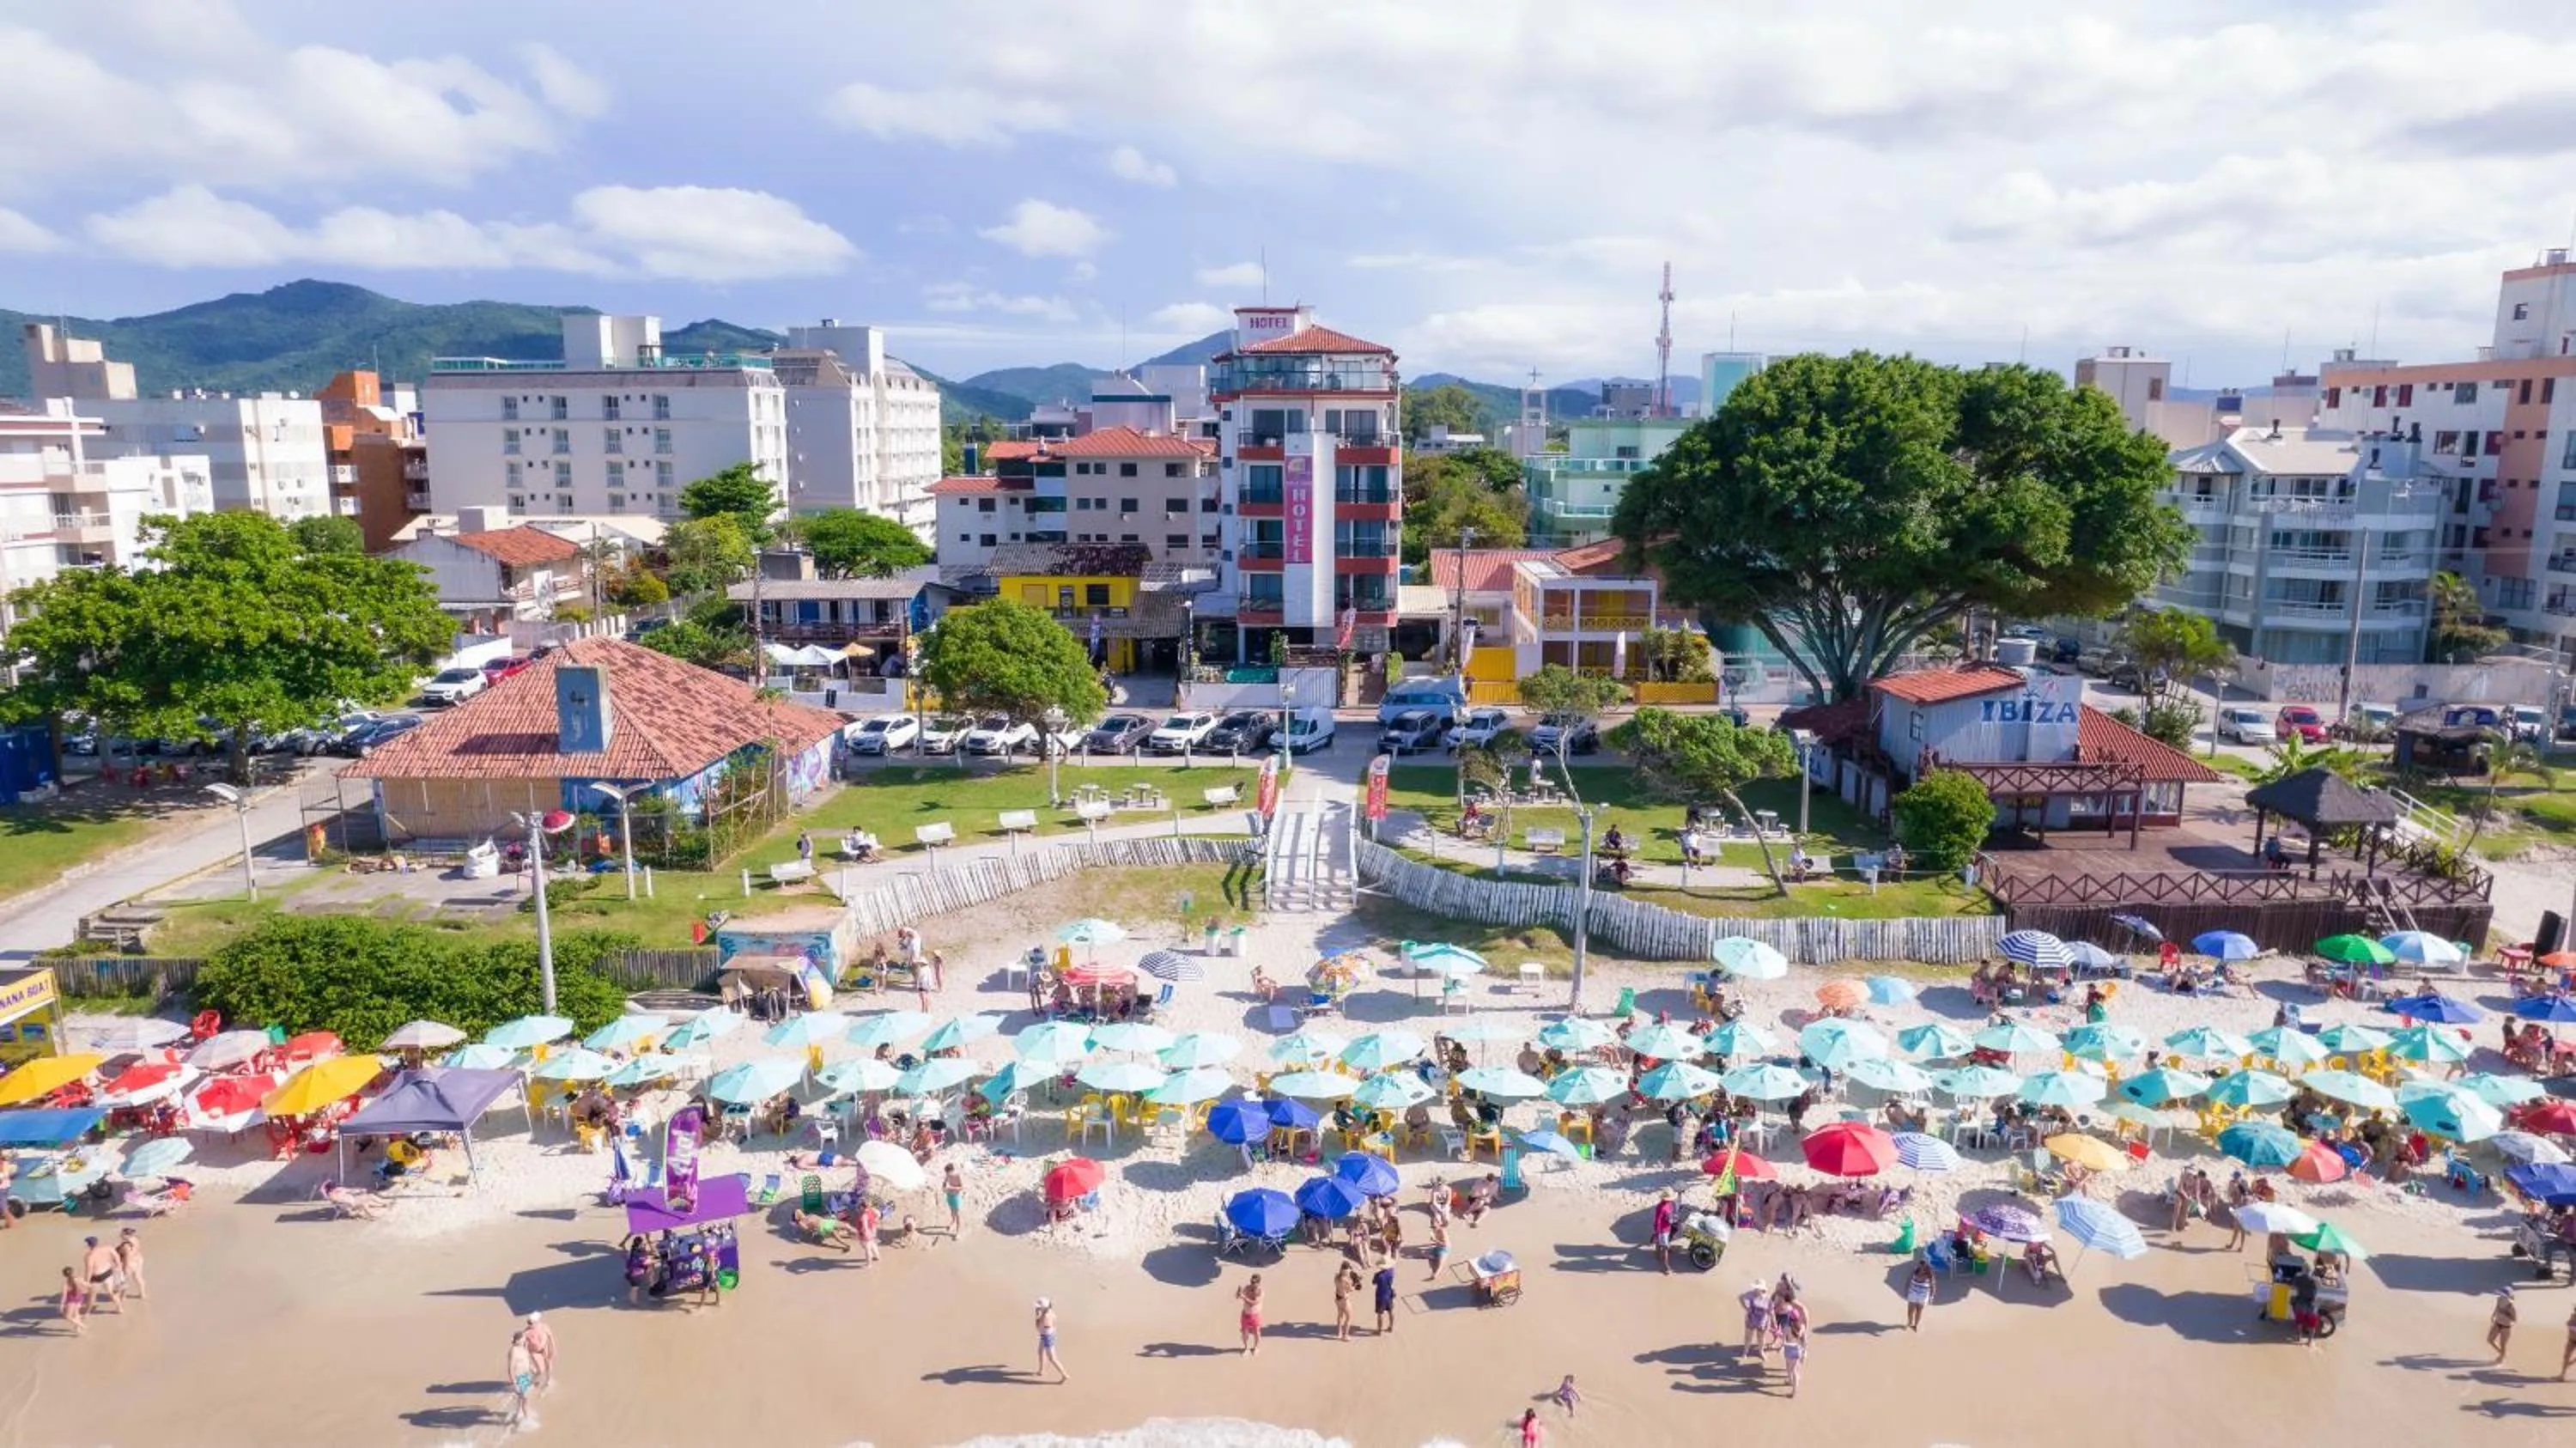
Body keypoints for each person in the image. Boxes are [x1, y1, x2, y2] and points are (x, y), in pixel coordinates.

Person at [505, 1329, 540, 1433]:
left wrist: (532, 1368)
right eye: (523, 1338)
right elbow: (510, 1368)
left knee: (523, 1398)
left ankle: (518, 1413)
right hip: (519, 1378)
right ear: (517, 1341)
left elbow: (527, 1360)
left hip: (526, 1376)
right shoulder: (513, 1351)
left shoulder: (523, 1348)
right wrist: (514, 1383)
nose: (525, 1339)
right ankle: (527, 1419)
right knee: (525, 1398)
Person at [1777, 1294, 1810, 1397]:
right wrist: (1804, 1351)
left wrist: (1780, 1348)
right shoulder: (1803, 1327)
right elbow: (1804, 1341)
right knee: (1795, 1370)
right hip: (1798, 1349)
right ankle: (1793, 1388)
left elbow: (1783, 1341)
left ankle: (1791, 1382)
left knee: (1789, 1367)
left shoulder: (1786, 1328)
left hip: (1789, 1349)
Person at [80, 1237, 122, 1315]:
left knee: (91, 1296)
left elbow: (89, 1270)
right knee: (111, 1292)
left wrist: (86, 1283)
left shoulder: (89, 1256)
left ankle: (87, 1312)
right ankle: (119, 1308)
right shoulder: (108, 1248)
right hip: (108, 1273)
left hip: (97, 1277)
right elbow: (116, 1257)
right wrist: (118, 1267)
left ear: (88, 1245)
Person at [1034, 1297, 1067, 1383]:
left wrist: (1037, 1316)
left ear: (1044, 1307)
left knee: (1052, 1358)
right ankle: (1041, 1370)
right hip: (1049, 1333)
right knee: (1040, 1351)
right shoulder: (1050, 1311)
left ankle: (1064, 1375)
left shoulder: (1045, 1317)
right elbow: (1054, 1321)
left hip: (1047, 1336)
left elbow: (1038, 1327)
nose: (1037, 1308)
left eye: (1039, 1307)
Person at [522, 1311, 556, 1393]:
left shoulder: (544, 1327)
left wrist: (553, 1348)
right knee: (540, 1370)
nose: (529, 1324)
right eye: (528, 1322)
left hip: (545, 1348)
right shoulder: (526, 1332)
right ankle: (530, 1382)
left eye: (530, 1322)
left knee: (549, 1365)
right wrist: (527, 1359)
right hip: (534, 1352)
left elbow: (550, 1337)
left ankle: (547, 1381)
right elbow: (523, 1346)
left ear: (537, 1322)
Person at [1739, 1279, 1773, 1357]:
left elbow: (1771, 1311)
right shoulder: (1750, 1294)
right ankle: (1745, 1351)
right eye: (1755, 1288)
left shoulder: (1768, 1298)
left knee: (1761, 1337)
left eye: (1758, 1288)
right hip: (1750, 1319)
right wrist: (1746, 1308)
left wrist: (1772, 1322)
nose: (1756, 1290)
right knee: (1748, 1337)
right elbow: (1740, 1297)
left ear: (1762, 1289)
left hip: (1762, 1321)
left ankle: (1761, 1352)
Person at [114, 1228, 147, 1303]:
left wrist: (124, 1268)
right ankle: (142, 1294)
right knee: (138, 1277)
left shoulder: (126, 1245)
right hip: (138, 1259)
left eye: (122, 1234)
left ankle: (122, 1297)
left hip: (130, 1263)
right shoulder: (135, 1239)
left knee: (123, 1281)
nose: (120, 1235)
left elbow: (127, 1257)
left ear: (126, 1235)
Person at [1236, 1273, 1266, 1355]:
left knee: (1256, 1332)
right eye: (1251, 1282)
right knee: (1244, 1333)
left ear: (1259, 1283)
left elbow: (1254, 1303)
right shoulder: (1247, 1288)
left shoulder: (1261, 1292)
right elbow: (1237, 1297)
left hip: (1255, 1316)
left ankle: (1256, 1348)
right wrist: (1238, 1293)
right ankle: (1246, 1348)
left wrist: (1243, 1297)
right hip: (1245, 1315)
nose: (1252, 1284)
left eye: (1254, 1282)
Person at [1905, 1252, 1935, 1330]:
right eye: (1920, 1264)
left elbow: (1933, 1286)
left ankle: (1915, 1325)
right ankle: (1910, 1322)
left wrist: (1931, 1297)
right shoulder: (1915, 1270)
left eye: (1922, 1265)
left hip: (1923, 1294)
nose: (1920, 1266)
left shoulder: (1930, 1275)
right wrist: (1907, 1289)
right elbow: (1909, 1279)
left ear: (1926, 1267)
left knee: (1919, 1310)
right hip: (1913, 1292)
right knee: (1910, 1310)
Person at [1652, 1190, 1680, 1275]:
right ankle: (1666, 1266)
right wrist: (1658, 1232)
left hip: (1667, 1227)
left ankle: (1657, 1254)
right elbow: (1658, 1221)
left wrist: (1673, 1218)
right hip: (1662, 1229)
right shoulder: (1661, 1207)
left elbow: (1670, 1214)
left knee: (1660, 1242)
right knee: (1665, 1248)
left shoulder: (1670, 1204)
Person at [1334, 1259, 1361, 1342]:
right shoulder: (1345, 1280)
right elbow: (1350, 1290)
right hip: (1344, 1300)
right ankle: (1345, 1335)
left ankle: (1339, 1333)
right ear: (1347, 1270)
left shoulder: (1336, 1277)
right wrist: (1355, 1284)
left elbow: (1340, 1287)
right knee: (1349, 1317)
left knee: (1340, 1316)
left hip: (1338, 1299)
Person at [2490, 1284, 2519, 1363]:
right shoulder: (2499, 1300)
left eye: (2503, 1296)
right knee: (2490, 1340)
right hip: (2497, 1323)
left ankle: (2501, 1358)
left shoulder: (2511, 1307)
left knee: (2503, 1345)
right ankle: (2503, 1354)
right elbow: (2497, 1307)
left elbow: (2515, 1320)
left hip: (2506, 1327)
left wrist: (2507, 1319)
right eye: (2501, 1295)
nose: (2501, 1296)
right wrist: (2493, 1315)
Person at [58, 1266, 85, 1335]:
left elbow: (63, 1296)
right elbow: (85, 1285)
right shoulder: (79, 1279)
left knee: (68, 1316)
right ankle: (78, 1329)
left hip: (71, 1300)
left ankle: (81, 1325)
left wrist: (61, 1305)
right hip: (79, 1298)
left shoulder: (65, 1284)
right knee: (76, 1313)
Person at [1372, 1262, 1398, 1334]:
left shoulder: (1378, 1275)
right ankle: (1391, 1327)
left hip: (1380, 1296)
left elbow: (1374, 1282)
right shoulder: (1391, 1271)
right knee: (1391, 1311)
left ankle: (1379, 1330)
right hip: (1389, 1294)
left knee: (1380, 1314)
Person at [943, 1161, 966, 1238]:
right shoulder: (947, 1175)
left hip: (956, 1197)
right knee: (952, 1211)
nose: (947, 1175)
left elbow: (962, 1187)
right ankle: (952, 1222)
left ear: (952, 1171)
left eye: (948, 1173)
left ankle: (958, 1232)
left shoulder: (957, 1176)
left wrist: (952, 1188)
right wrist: (944, 1187)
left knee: (957, 1214)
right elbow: (944, 1182)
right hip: (949, 1195)